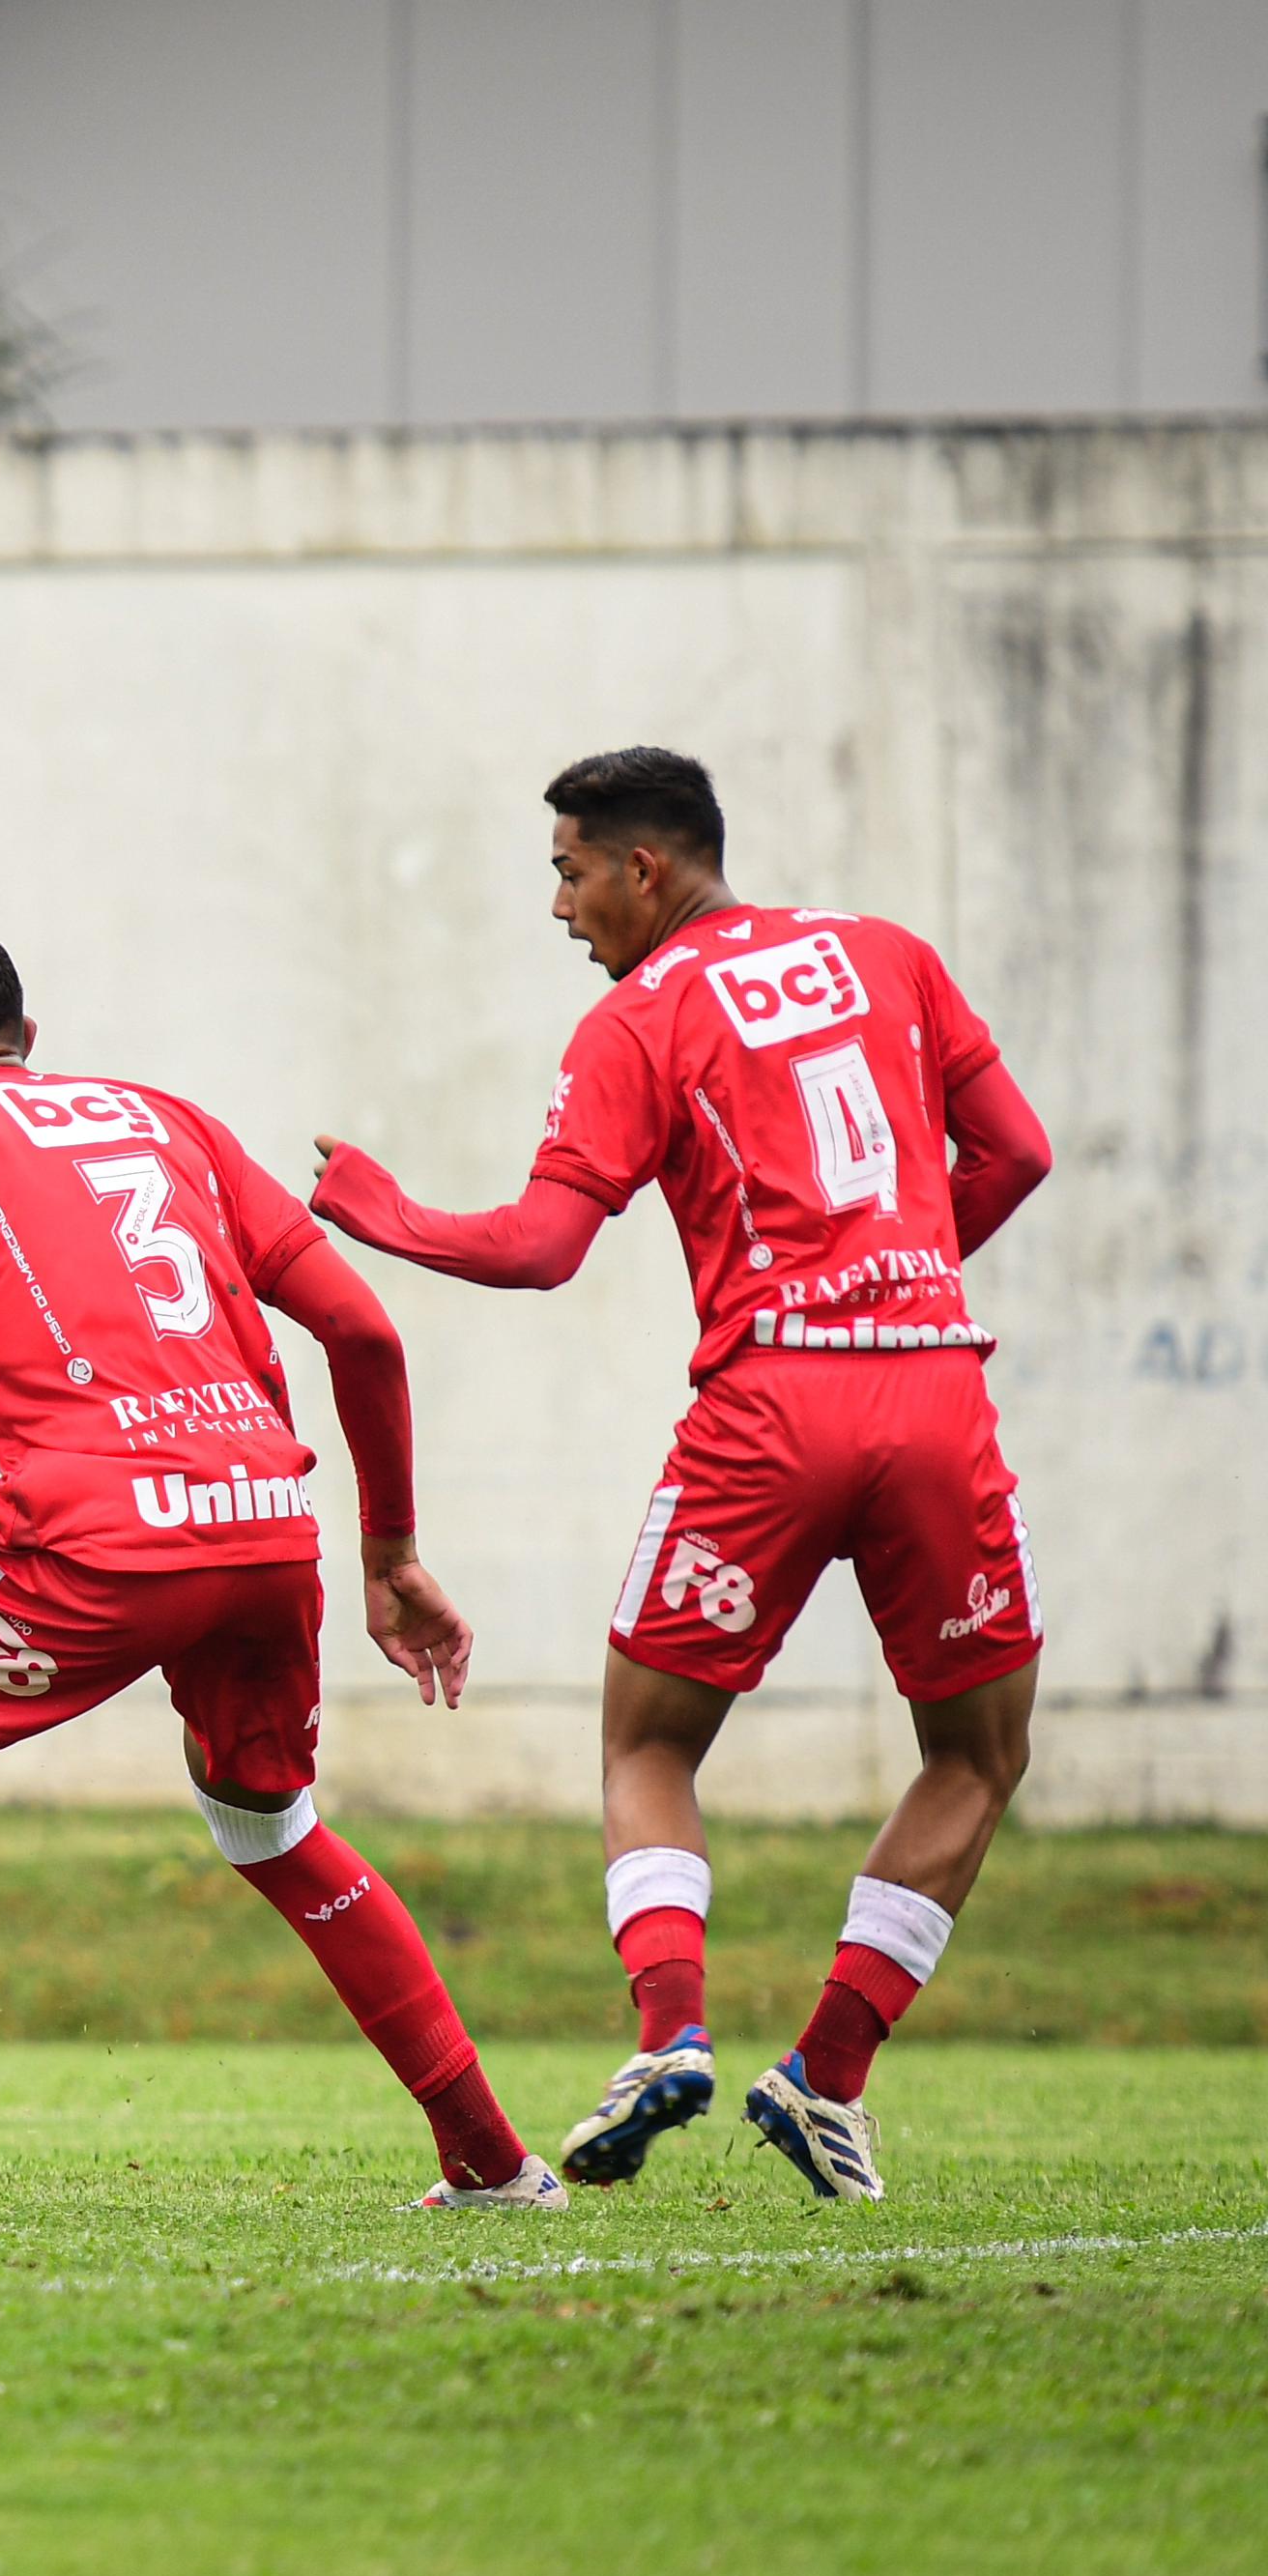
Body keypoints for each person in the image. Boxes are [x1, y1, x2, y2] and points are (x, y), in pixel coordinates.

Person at [0, 928, 562, 2212]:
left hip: (97, 1536)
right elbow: (361, 1324)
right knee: (272, 1824)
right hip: (262, 1524)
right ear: (25, 1033)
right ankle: (492, 2159)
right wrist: (392, 1550)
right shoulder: (168, 1120)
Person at [312, 749, 1052, 2203]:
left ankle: (669, 2036)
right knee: (977, 1754)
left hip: (770, 1402)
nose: (560, 905)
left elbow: (538, 1247)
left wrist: (383, 1213)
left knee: (649, 1744)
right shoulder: (890, 954)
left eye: (570, 869)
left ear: (646, 868)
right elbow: (1016, 1152)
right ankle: (829, 2071)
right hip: (933, 1380)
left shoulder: (638, 1017)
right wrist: (891, 1281)